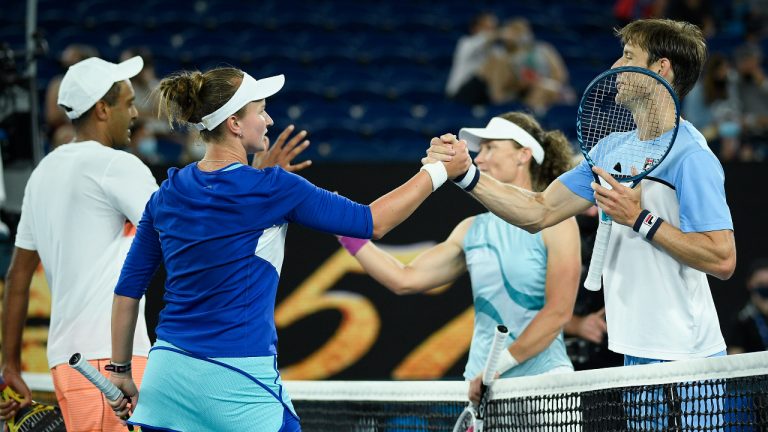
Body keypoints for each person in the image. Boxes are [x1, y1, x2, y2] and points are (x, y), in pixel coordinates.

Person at [105, 66, 470, 432]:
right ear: (234, 123)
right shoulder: (274, 188)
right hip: (237, 376)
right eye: (260, 110)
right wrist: (439, 171)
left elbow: (127, 291)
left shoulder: (167, 193)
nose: (268, 119)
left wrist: (120, 371)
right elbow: (372, 221)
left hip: (167, 379)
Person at [427, 18, 736, 428]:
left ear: (660, 68)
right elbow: (539, 210)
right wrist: (468, 175)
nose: (614, 68)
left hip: (689, 360)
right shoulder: (610, 150)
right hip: (634, 355)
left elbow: (722, 258)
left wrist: (639, 219)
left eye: (628, 57)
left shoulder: (691, 156)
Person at [338, 113, 581, 402]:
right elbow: (405, 279)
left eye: (491, 148)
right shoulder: (471, 230)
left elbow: (558, 314)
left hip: (543, 385)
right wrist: (344, 228)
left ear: (523, 155)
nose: (480, 159)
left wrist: (497, 368)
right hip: (483, 390)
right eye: (480, 151)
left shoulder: (560, 225)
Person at [1, 55, 157, 432]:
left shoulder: (43, 174)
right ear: (103, 110)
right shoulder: (117, 166)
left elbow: (18, 278)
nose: (136, 112)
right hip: (114, 363)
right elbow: (183, 231)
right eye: (128, 102)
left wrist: (9, 364)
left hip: (67, 366)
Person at [445, 12, 500, 105]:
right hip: (460, 93)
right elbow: (483, 40)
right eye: (487, 28)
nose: (491, 32)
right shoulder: (466, 43)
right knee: (493, 64)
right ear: (476, 28)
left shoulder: (496, 49)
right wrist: (501, 33)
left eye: (493, 28)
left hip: (483, 93)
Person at [728, 258, 768, 354]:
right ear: (750, 284)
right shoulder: (743, 319)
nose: (765, 288)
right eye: (761, 284)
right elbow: (734, 358)